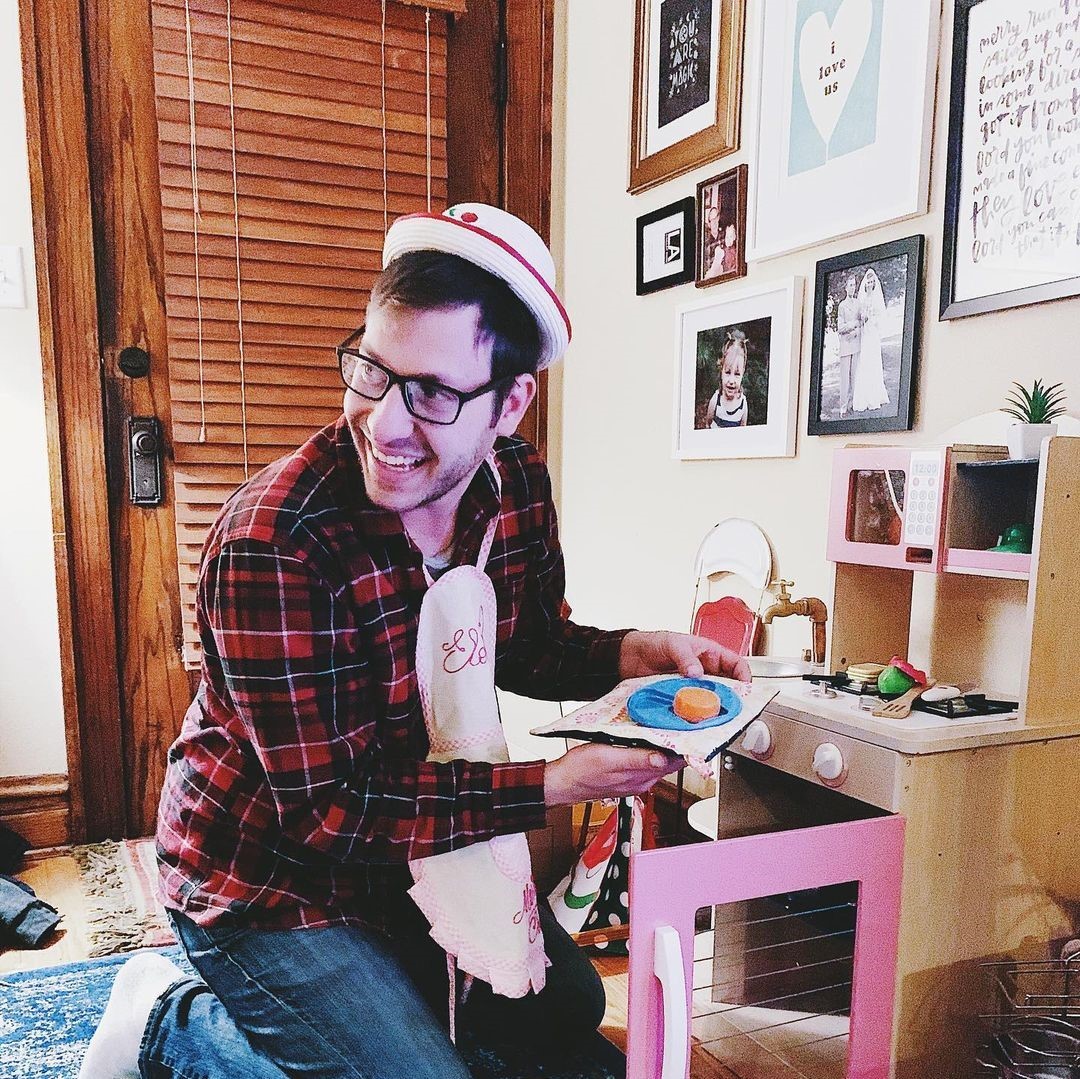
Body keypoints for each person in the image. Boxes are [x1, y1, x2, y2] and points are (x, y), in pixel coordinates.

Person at [79, 203, 749, 1079]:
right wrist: (554, 784)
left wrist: (635, 650)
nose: (385, 423)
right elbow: (330, 812)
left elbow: (530, 644)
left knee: (571, 1012)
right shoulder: (273, 543)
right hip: (266, 881)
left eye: (432, 391)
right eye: (372, 371)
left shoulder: (516, 484)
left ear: (511, 402)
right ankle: (165, 1022)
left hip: (412, 847)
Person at [851, 266, 889, 413]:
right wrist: (862, 318)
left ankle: (875, 395)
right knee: (864, 361)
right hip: (864, 333)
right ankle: (863, 396)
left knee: (873, 360)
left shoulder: (876, 297)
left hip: (872, 332)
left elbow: (881, 315)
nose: (870, 284)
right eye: (868, 282)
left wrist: (872, 320)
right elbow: (857, 315)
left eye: (872, 282)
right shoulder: (861, 299)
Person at [705, 330, 750, 428]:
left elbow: (743, 429)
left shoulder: (743, 404)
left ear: (743, 373)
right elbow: (708, 424)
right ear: (721, 370)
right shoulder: (715, 400)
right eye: (728, 372)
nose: (731, 381)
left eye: (737, 374)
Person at [835, 274, 862, 418]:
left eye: (854, 285)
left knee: (854, 376)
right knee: (844, 378)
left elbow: (862, 322)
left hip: (856, 344)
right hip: (845, 345)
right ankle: (843, 408)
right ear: (846, 288)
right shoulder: (842, 306)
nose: (852, 288)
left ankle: (852, 404)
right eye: (850, 285)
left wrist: (857, 330)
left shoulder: (858, 303)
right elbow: (840, 327)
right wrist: (852, 325)